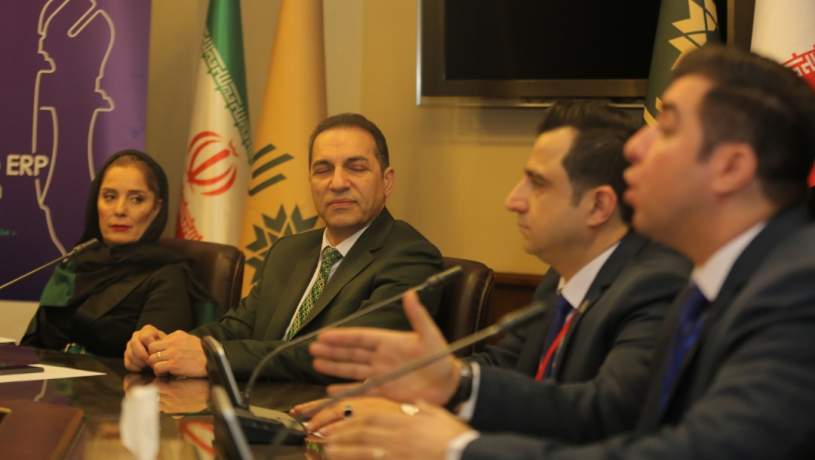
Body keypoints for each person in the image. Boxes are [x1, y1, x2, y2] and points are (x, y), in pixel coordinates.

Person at [306, 45, 815, 460]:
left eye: (667, 128)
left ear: (731, 168)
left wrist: (458, 449)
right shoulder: (716, 284)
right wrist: (454, 384)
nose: (636, 147)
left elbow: (694, 451)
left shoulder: (798, 291)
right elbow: (610, 417)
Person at [295, 102, 690, 443]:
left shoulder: (656, 286)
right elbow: (502, 365)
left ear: (598, 206)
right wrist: (399, 394)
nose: (513, 200)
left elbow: (606, 413)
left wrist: (456, 414)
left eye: (537, 183)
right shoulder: (560, 278)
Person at [123, 113, 443, 382]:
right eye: (323, 170)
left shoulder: (409, 256)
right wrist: (166, 348)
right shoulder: (289, 251)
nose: (337, 183)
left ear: (387, 181)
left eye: (356, 168)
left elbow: (347, 355)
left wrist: (213, 357)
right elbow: (238, 328)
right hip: (262, 412)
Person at [22, 150, 209, 357]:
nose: (119, 210)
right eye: (109, 197)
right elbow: (33, 345)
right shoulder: (76, 264)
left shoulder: (168, 276)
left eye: (136, 199)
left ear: (156, 208)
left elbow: (154, 361)